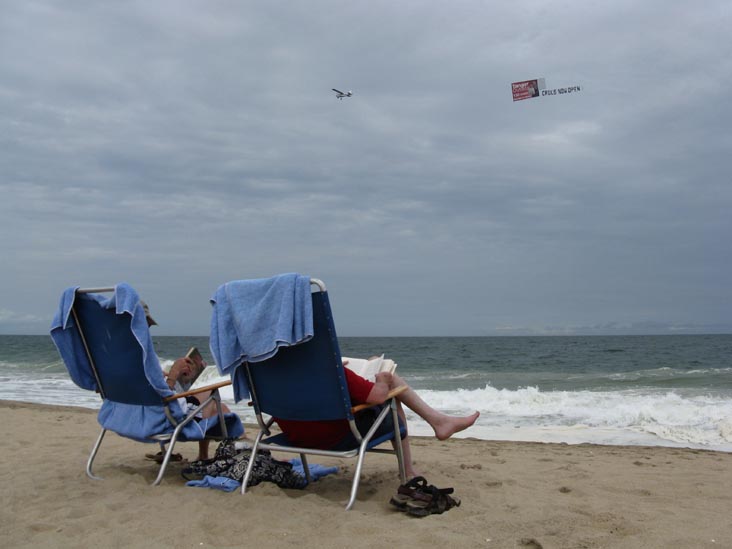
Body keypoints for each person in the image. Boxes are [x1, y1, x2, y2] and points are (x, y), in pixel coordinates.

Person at [274, 358, 479, 479]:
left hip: (294, 437)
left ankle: (439, 422)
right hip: (338, 439)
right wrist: (381, 379)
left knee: (374, 363)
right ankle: (409, 468)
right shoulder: (326, 366)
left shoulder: (266, 366)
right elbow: (378, 397)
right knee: (390, 388)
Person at [141, 300, 237, 462]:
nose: (147, 330)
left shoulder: (120, 355)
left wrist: (182, 374)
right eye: (145, 325)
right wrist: (173, 373)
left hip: (136, 413)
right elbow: (163, 396)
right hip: (160, 416)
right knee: (213, 399)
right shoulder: (142, 354)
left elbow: (152, 383)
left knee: (219, 406)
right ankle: (228, 450)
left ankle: (207, 454)